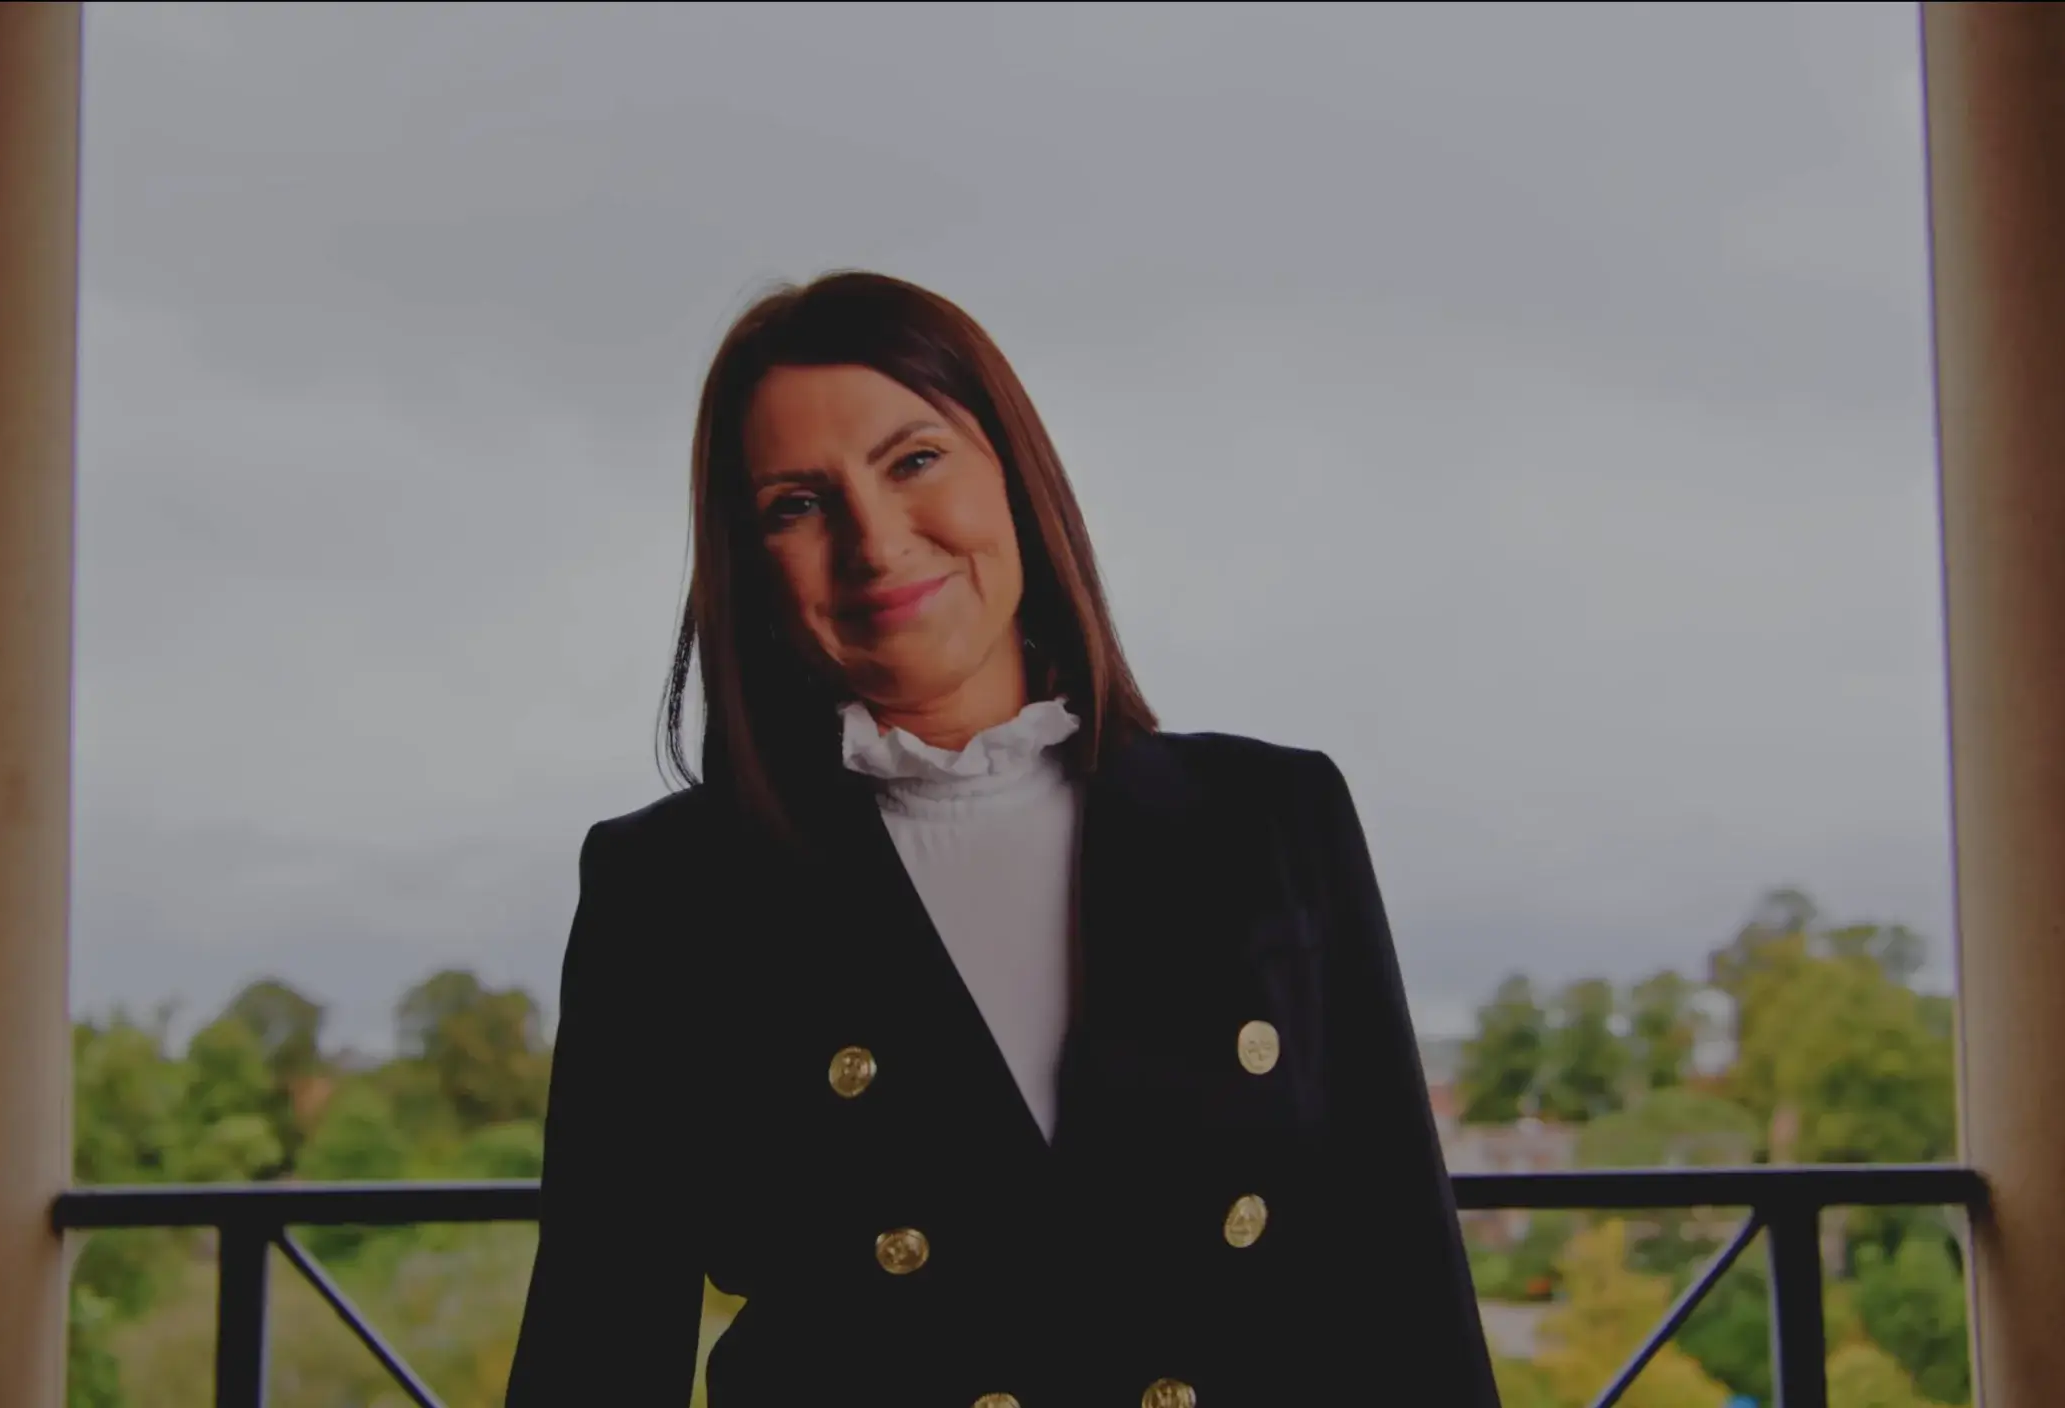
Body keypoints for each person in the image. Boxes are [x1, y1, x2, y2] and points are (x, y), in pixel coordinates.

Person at [507, 271, 1499, 1408]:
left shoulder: (1275, 818)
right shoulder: (668, 890)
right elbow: (595, 1346)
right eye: (797, 502)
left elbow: (1405, 1288)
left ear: (1014, 476)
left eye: (914, 459)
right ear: (750, 563)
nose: (875, 544)